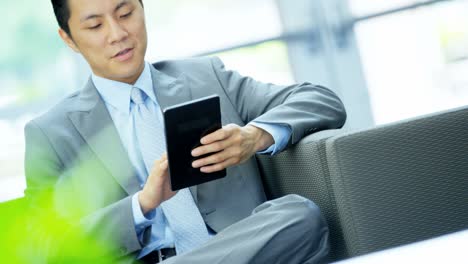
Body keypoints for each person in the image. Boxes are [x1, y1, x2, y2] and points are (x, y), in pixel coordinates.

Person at [24, 0, 346, 263]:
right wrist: (141, 205)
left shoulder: (206, 77)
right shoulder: (50, 135)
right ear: (68, 38)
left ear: (142, 8)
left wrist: (253, 137)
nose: (118, 33)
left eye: (126, 13)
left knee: (300, 216)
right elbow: (44, 246)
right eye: (95, 25)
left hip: (242, 247)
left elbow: (321, 100)